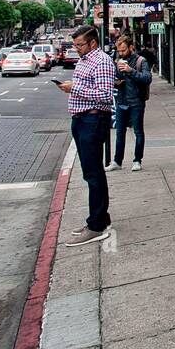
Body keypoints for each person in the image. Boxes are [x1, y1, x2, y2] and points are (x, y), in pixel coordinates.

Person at [58, 25, 116, 246]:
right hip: (81, 119)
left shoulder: (101, 61)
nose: (76, 49)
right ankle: (99, 218)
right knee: (90, 172)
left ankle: (97, 226)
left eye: (80, 45)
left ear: (93, 43)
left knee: (93, 174)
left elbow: (104, 95)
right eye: (75, 45)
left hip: (93, 120)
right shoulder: (84, 61)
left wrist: (74, 88)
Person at [105, 33, 151, 173]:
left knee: (138, 132)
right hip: (121, 101)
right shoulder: (118, 60)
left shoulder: (141, 61)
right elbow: (116, 79)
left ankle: (137, 160)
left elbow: (147, 78)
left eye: (124, 50)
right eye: (119, 50)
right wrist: (116, 81)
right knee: (120, 133)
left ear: (131, 47)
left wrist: (131, 71)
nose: (121, 53)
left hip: (136, 101)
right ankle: (117, 161)